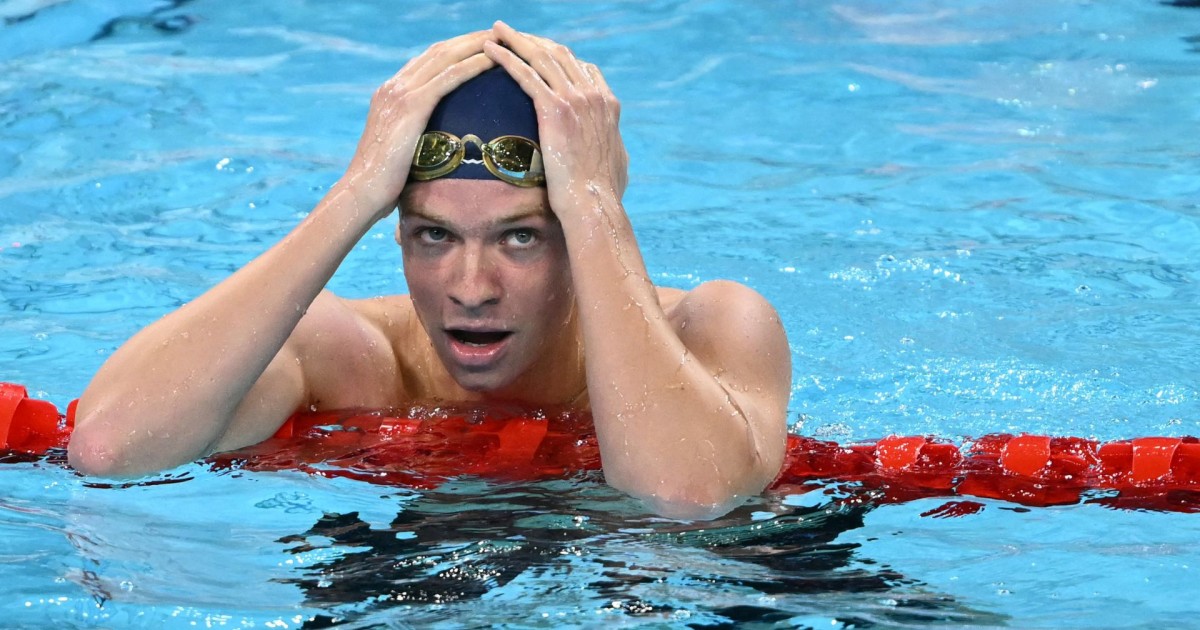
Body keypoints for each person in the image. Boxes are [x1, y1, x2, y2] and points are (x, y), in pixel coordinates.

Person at [67, 22, 791, 520]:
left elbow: (684, 499)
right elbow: (110, 451)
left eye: (521, 239)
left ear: (580, 234)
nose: (470, 288)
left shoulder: (713, 327)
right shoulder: (346, 356)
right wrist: (353, 196)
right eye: (434, 234)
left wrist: (595, 202)